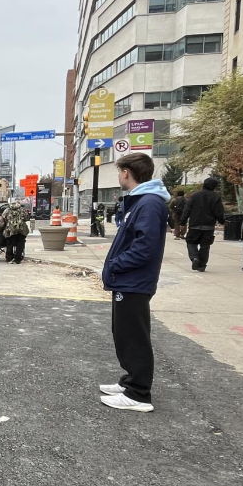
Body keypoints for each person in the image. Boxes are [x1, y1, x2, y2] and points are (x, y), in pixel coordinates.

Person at [99, 153, 170, 412]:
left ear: (127, 172)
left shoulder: (149, 203)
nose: (119, 176)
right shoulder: (142, 201)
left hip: (133, 281)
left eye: (120, 171)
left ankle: (138, 394)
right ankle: (131, 381)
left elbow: (145, 248)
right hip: (128, 281)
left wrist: (116, 265)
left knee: (133, 337)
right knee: (124, 333)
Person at [180, 177, 224, 272]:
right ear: (214, 186)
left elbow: (187, 210)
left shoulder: (194, 196)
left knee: (191, 242)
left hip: (194, 224)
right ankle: (202, 265)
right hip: (209, 226)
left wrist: (182, 222)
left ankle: (194, 258)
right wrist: (222, 221)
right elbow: (219, 211)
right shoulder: (216, 197)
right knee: (205, 246)